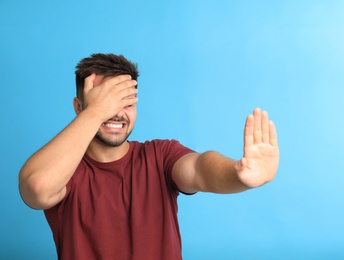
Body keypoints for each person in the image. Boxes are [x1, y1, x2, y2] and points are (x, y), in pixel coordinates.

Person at [19, 53, 280, 260]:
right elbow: (36, 189)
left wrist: (238, 174)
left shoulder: (159, 155)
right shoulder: (64, 168)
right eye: (106, 101)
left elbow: (200, 169)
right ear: (79, 107)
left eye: (127, 101)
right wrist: (96, 112)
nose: (117, 112)